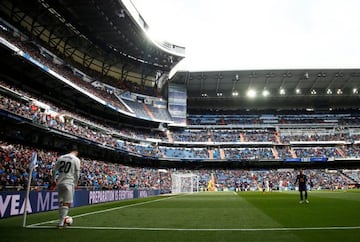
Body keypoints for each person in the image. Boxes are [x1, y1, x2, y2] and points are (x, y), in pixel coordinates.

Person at [52, 145, 81, 228]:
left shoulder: (61, 157)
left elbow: (54, 170)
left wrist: (54, 180)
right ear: (76, 152)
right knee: (66, 203)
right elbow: (77, 173)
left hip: (60, 182)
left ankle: (61, 220)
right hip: (69, 182)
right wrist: (76, 183)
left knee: (61, 202)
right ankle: (61, 223)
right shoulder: (76, 159)